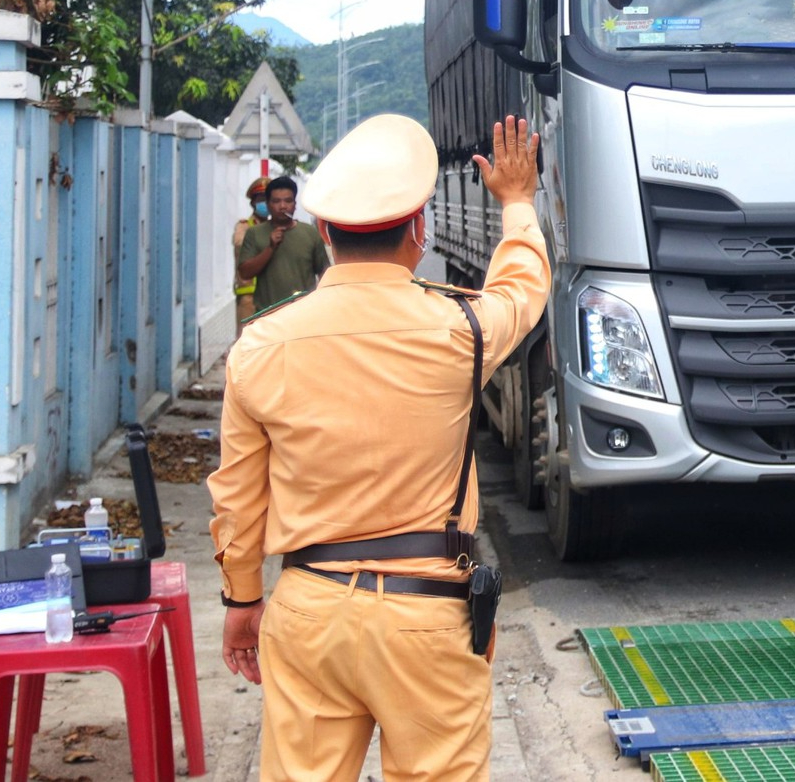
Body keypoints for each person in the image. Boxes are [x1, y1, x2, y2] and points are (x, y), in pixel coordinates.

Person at [209, 113, 549, 782]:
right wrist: (516, 202)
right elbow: (523, 291)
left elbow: (239, 493)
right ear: (419, 233)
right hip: (427, 615)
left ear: (326, 235)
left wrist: (242, 600)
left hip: (308, 609)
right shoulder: (461, 330)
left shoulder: (259, 347)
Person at [235, 175, 331, 314]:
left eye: (288, 201)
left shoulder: (310, 233)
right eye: (276, 201)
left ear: (295, 204)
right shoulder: (254, 233)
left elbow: (324, 273)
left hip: (304, 314)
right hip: (267, 316)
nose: (282, 206)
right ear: (268, 204)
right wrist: (270, 248)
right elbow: (244, 273)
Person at [232, 177, 270, 323]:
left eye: (268, 199)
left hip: (272, 296)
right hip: (249, 298)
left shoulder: (276, 227)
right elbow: (240, 244)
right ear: (253, 202)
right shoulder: (243, 227)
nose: (265, 203)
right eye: (261, 199)